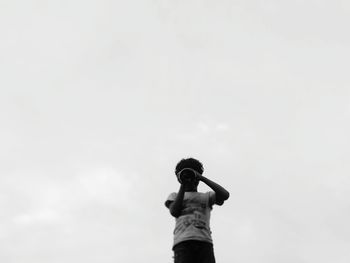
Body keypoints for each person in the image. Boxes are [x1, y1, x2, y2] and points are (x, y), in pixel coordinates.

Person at [165, 158, 230, 263]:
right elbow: (174, 211)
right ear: (178, 178)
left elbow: (225, 195)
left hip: (204, 242)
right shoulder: (175, 196)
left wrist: (201, 177)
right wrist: (183, 183)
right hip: (183, 243)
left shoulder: (207, 196)